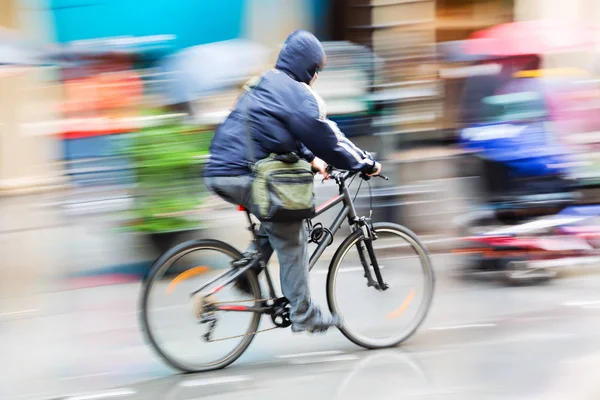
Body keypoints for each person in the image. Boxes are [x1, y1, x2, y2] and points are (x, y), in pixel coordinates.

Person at [203, 30, 381, 333]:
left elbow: (277, 131)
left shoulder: (268, 82)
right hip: (242, 173)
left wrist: (311, 159)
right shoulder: (296, 93)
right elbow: (327, 137)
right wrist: (364, 162)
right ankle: (303, 314)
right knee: (292, 233)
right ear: (306, 66)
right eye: (315, 70)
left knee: (277, 218)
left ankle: (245, 274)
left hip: (222, 170)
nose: (315, 77)